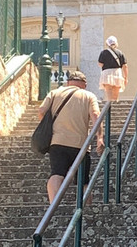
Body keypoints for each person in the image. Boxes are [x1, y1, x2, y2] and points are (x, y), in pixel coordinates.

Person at [37, 70, 104, 202]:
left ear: (68, 83)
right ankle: (87, 211)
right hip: (81, 145)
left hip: (57, 141)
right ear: (84, 84)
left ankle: (54, 206)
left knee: (57, 173)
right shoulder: (89, 96)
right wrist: (99, 137)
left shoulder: (55, 93)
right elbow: (96, 115)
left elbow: (41, 111)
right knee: (83, 180)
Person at [98, 36, 128, 102]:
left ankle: (109, 106)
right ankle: (115, 103)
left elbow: (100, 64)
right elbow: (125, 66)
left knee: (109, 91)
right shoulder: (120, 53)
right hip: (117, 72)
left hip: (107, 72)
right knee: (115, 93)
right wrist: (126, 77)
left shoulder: (103, 53)